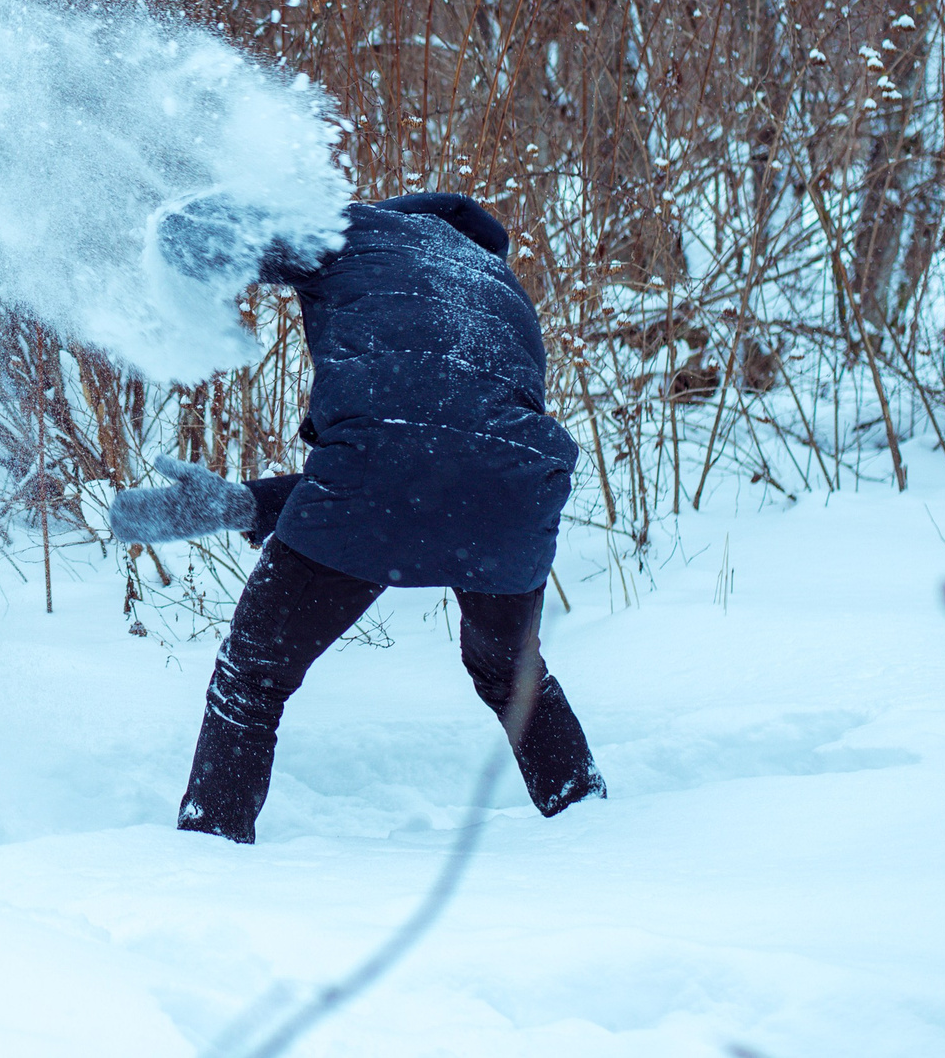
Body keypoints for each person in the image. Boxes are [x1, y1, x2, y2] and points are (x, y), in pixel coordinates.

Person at [112, 191, 606, 842]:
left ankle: (210, 846)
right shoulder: (500, 282)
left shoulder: (344, 226)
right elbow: (449, 449)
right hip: (516, 491)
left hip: (377, 475)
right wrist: (247, 505)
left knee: (254, 676)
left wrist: (169, 228)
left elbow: (400, 457)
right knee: (513, 673)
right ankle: (592, 823)